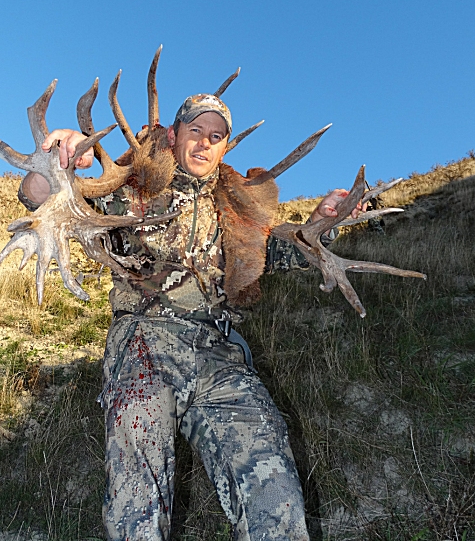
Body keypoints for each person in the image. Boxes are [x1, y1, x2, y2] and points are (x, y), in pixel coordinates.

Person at [20, 93, 362, 541]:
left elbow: (275, 252)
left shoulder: (235, 209)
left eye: (215, 136)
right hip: (145, 342)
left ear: (224, 147)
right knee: (137, 498)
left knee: (273, 488)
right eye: (195, 131)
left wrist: (322, 221)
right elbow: (35, 195)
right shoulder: (134, 185)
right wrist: (57, 158)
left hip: (219, 356)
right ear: (173, 134)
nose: (204, 143)